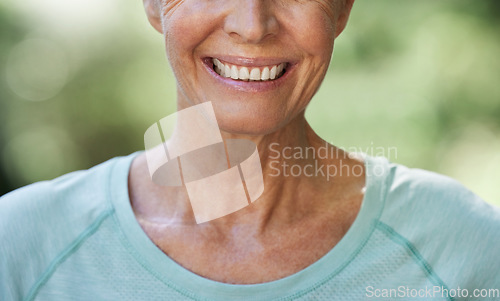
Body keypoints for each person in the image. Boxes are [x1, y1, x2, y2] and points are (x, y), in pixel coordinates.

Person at [1, 0, 499, 300]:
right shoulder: (21, 246)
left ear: (343, 7)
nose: (253, 23)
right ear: (154, 3)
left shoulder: (464, 249)